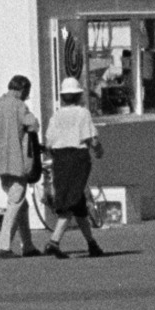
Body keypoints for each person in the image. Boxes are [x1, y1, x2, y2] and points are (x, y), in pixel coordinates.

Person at [43, 68, 103, 255]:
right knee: (72, 198)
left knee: (77, 203)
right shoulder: (82, 113)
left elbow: (49, 142)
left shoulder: (56, 115)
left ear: (63, 97)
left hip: (60, 158)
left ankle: (92, 244)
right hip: (78, 158)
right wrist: (98, 150)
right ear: (78, 96)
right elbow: (91, 138)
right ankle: (54, 241)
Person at [0, 71, 46, 257]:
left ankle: (28, 245)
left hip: (0, 161)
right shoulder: (20, 106)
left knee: (22, 204)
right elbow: (33, 125)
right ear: (22, 89)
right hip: (17, 161)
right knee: (15, 202)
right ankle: (3, 245)